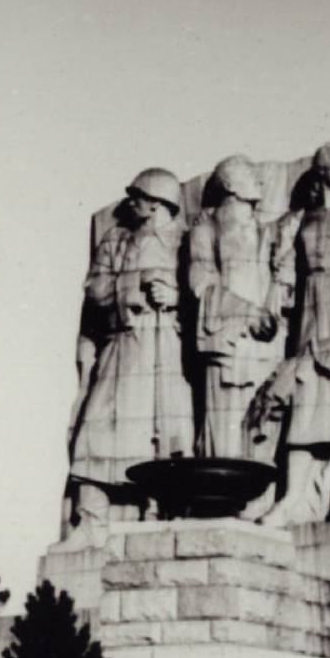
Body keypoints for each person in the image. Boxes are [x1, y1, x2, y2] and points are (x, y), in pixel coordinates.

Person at [62, 167, 193, 533]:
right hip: (123, 343)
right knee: (96, 425)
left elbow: (203, 289)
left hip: (168, 344)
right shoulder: (116, 240)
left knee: (166, 434)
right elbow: (95, 290)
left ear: (156, 204)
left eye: (138, 197)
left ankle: (159, 510)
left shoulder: (185, 240)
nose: (131, 203)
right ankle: (90, 516)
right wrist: (132, 287)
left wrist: (175, 296)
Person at [257, 142, 330, 525]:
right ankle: (292, 496)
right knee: (306, 400)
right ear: (321, 171)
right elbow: (285, 271)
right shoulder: (303, 219)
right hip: (312, 310)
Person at [187, 155, 285, 460]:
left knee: (264, 430)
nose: (259, 179)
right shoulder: (207, 227)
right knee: (225, 435)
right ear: (229, 184)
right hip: (229, 341)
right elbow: (201, 282)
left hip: (266, 343)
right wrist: (246, 312)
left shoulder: (266, 231)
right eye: (249, 174)